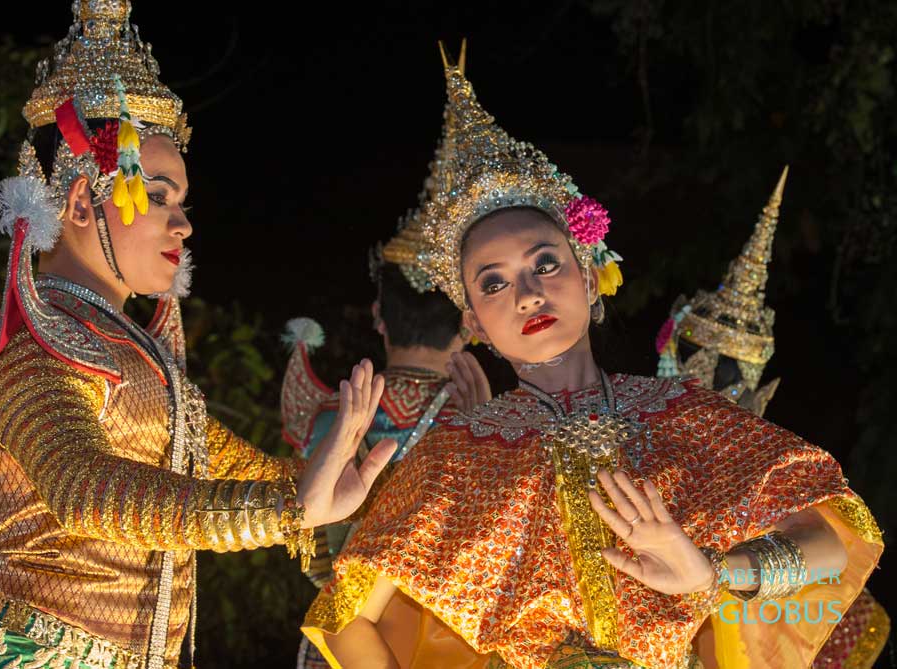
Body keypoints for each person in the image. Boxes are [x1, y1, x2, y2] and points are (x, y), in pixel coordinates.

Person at [301, 41, 883, 669]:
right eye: (493, 283)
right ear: (473, 321)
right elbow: (343, 618)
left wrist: (711, 570)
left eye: (544, 264)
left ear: (587, 274)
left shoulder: (683, 414)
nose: (526, 294)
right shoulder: (455, 455)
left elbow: (834, 538)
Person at [0, 3, 394, 668]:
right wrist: (287, 507)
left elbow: (217, 462)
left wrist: (328, 492)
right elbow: (84, 487)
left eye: (182, 203)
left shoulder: (134, 357)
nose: (183, 226)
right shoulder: (33, 346)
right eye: (157, 195)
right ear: (83, 203)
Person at [655, 167, 891, 668]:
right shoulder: (622, 430)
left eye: (722, 407)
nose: (708, 421)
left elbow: (829, 551)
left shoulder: (758, 468)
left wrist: (714, 571)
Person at [283, 189, 490, 669]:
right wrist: (483, 435)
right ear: (471, 323)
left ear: (380, 317)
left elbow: (311, 555)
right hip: (448, 645)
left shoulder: (332, 419)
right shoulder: (490, 428)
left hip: (337, 644)